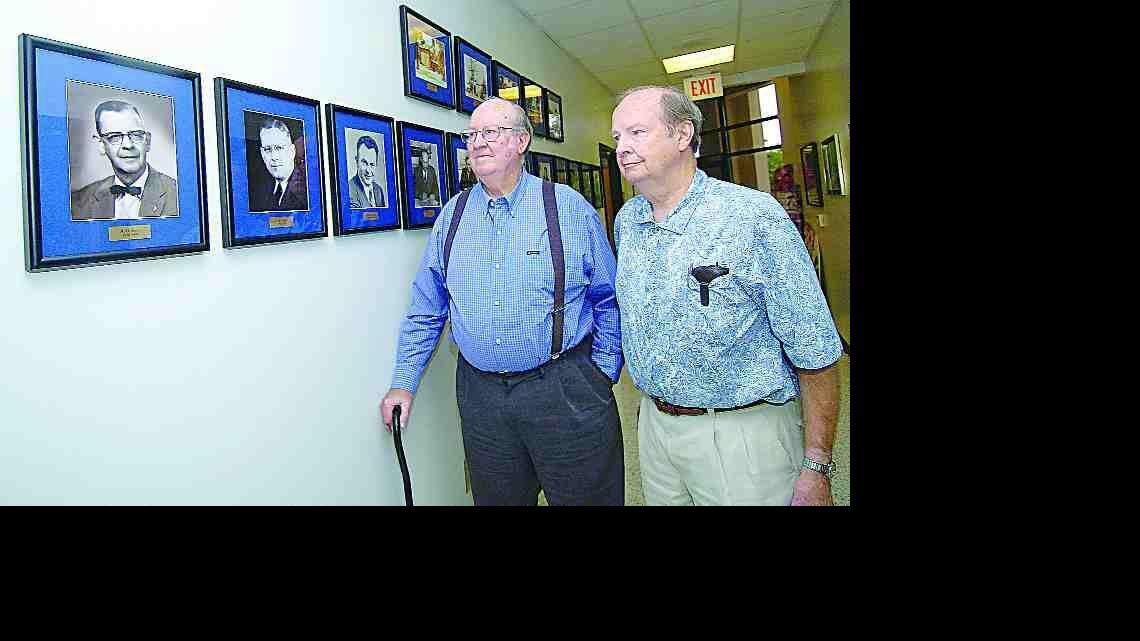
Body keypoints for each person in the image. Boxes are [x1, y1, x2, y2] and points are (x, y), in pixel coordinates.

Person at [380, 97, 624, 506]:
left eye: (491, 132)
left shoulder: (566, 208)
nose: (477, 143)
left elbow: (608, 297)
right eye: (472, 135)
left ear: (521, 141)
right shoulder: (452, 217)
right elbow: (426, 309)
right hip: (482, 400)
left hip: (564, 389)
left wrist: (602, 371)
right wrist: (403, 383)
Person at [610, 85, 843, 506]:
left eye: (637, 132)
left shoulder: (753, 218)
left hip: (742, 434)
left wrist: (817, 465)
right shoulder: (628, 221)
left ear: (683, 136)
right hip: (656, 431)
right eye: (617, 138)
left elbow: (816, 351)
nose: (622, 148)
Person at [71, 99, 178, 221]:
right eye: (114, 137)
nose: (128, 145)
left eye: (136, 135)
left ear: (147, 141)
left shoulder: (179, 195)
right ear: (101, 145)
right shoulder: (79, 202)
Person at [249, 117, 307, 212]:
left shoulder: (307, 189)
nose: (274, 157)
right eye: (268, 149)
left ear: (292, 151)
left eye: (279, 148)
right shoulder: (258, 191)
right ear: (262, 154)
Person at [348, 135, 386, 209]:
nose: (368, 171)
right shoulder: (349, 190)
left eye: (372, 164)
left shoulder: (379, 190)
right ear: (357, 161)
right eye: (364, 163)